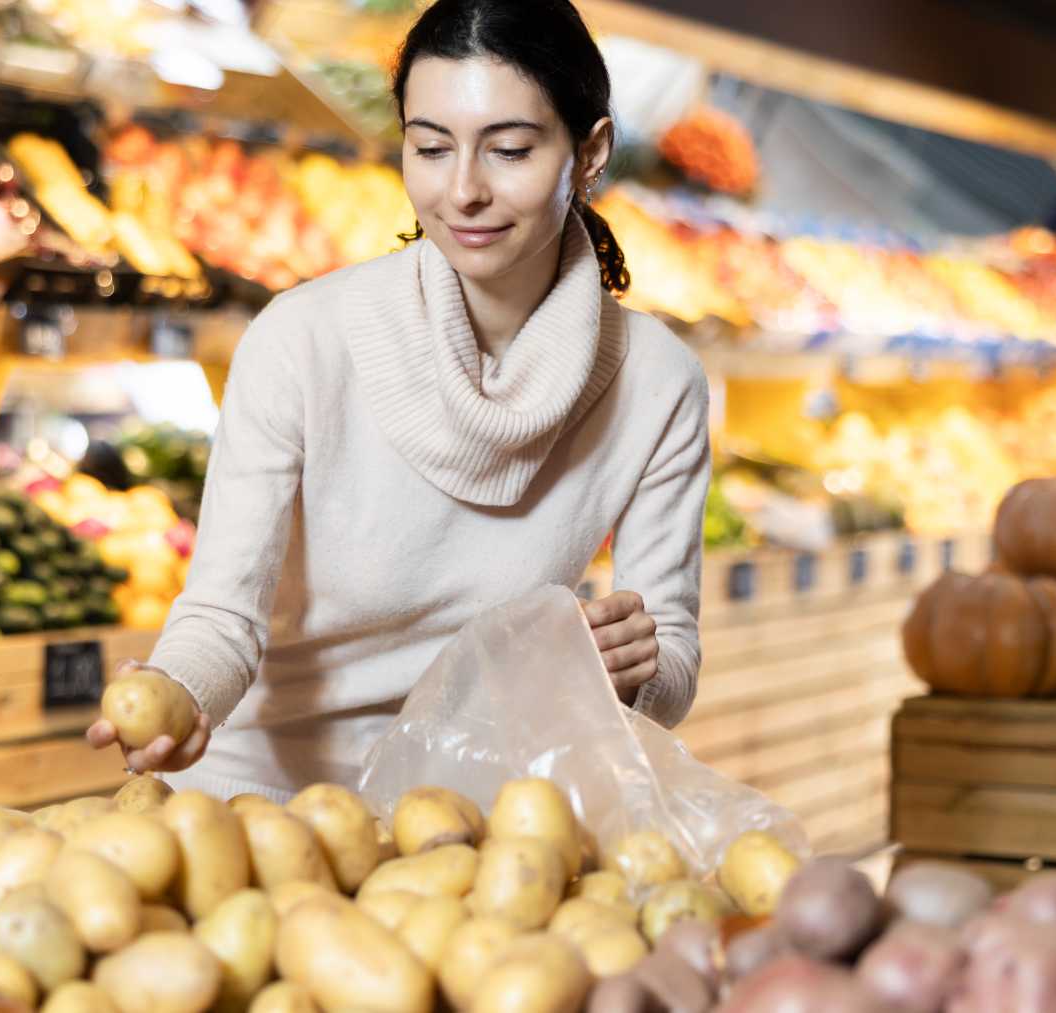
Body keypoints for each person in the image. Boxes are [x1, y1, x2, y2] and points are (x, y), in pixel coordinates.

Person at [86, 0, 711, 800]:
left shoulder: (658, 384)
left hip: (482, 809)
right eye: (430, 147)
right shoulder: (302, 339)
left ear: (589, 154)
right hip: (266, 804)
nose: (462, 191)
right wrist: (178, 692)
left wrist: (627, 672)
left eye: (510, 150)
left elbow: (674, 663)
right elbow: (221, 616)